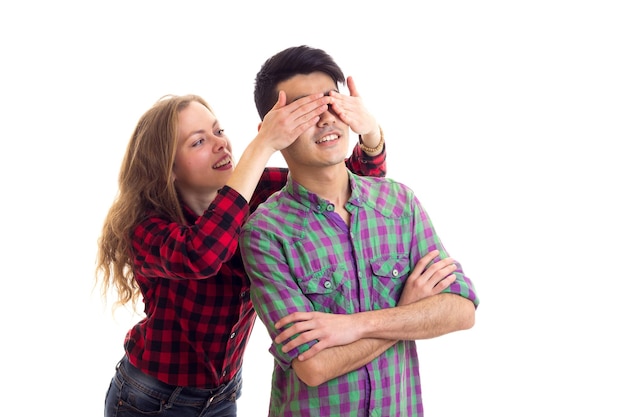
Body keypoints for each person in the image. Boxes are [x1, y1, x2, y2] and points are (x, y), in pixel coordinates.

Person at [95, 89, 388, 417]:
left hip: (222, 396)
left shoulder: (258, 192)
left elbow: (346, 186)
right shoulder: (145, 228)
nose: (220, 143)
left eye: (218, 131)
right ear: (169, 168)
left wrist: (370, 132)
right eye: (198, 141)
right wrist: (263, 146)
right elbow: (202, 254)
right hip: (152, 399)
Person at [239, 45, 480, 417]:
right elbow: (313, 367)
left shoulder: (399, 204)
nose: (326, 120)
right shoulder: (265, 233)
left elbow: (461, 309)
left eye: (332, 103)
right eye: (305, 111)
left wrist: (354, 327)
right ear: (274, 129)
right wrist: (407, 313)